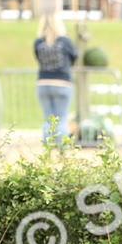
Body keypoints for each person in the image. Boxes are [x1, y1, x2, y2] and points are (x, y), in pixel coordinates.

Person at [34, 13, 78, 148]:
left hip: (43, 82)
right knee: (61, 120)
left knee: (48, 120)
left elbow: (38, 58)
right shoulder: (64, 42)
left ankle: (47, 150)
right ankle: (62, 150)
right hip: (62, 83)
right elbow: (75, 56)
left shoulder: (38, 43)